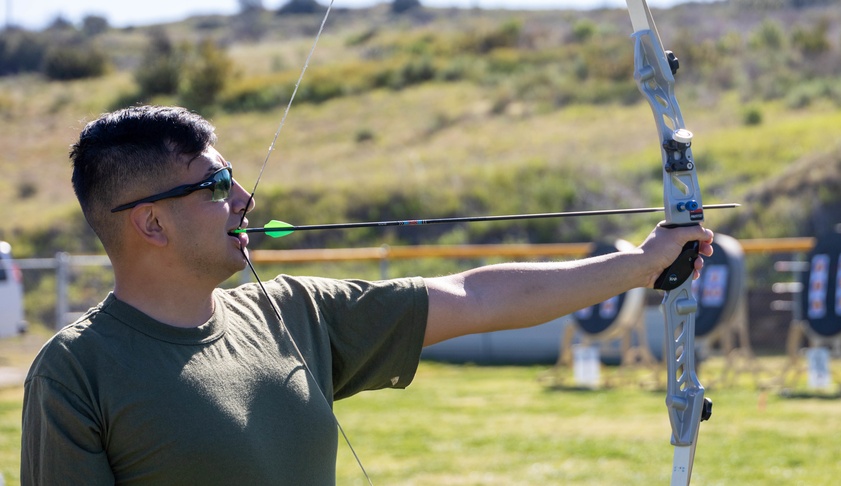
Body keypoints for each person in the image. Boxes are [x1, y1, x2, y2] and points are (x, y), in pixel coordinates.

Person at [21, 105, 713, 485]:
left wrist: (639, 266)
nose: (243, 197)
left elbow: (472, 297)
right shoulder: (76, 373)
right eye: (212, 185)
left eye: (232, 176)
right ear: (150, 222)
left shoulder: (293, 312)